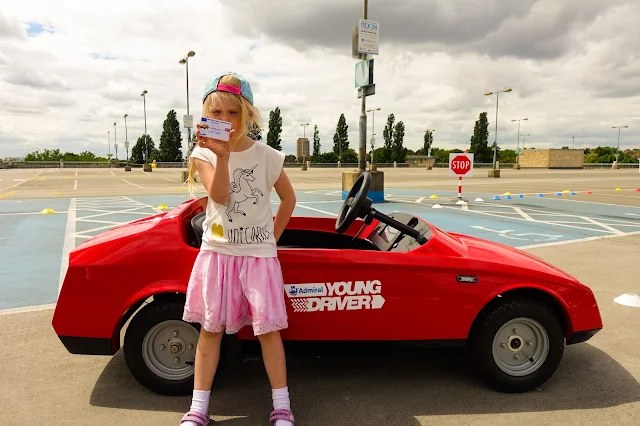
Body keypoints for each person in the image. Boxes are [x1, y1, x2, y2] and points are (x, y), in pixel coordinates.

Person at [180, 72, 297, 426]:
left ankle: (282, 407)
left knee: (268, 331)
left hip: (258, 258)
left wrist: (270, 240)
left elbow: (288, 200)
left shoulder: (268, 155)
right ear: (205, 115)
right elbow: (219, 196)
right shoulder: (204, 152)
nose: (225, 121)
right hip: (218, 253)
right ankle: (198, 409)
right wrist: (224, 156)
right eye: (217, 113)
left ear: (248, 114)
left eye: (233, 113)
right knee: (210, 331)